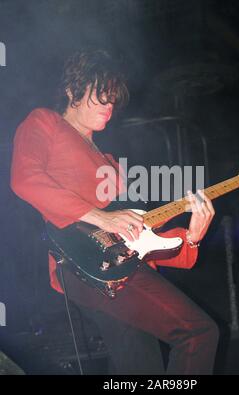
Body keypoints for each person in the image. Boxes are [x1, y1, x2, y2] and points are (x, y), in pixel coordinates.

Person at [10, 49, 219, 375]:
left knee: (139, 367)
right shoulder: (45, 122)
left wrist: (190, 238)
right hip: (81, 261)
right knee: (197, 333)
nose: (109, 105)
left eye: (113, 99)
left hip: (120, 265)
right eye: (101, 96)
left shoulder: (111, 165)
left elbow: (141, 239)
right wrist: (100, 216)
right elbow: (25, 179)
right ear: (71, 91)